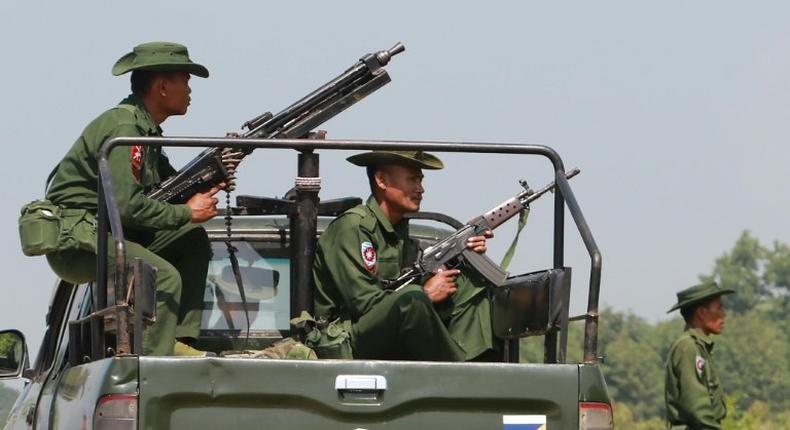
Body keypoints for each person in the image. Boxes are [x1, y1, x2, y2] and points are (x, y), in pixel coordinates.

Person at [45, 42, 221, 357]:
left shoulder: (145, 132)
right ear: (163, 86)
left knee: (191, 241)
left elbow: (170, 186)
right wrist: (186, 213)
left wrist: (213, 175)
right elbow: (126, 206)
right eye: (185, 80)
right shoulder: (126, 128)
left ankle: (179, 341)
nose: (190, 90)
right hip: (80, 238)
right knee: (162, 277)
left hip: (107, 231)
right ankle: (154, 364)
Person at [312, 150, 498, 361]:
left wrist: (466, 252)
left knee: (466, 283)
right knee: (413, 299)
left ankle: (477, 368)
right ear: (381, 180)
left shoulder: (398, 229)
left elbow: (399, 286)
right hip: (346, 341)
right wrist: (426, 294)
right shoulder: (353, 228)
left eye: (420, 180)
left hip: (386, 328)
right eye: (412, 179)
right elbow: (366, 304)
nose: (420, 189)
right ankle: (454, 374)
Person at [665, 282, 734, 429]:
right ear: (702, 313)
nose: (724, 314)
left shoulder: (699, 347)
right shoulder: (688, 347)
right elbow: (697, 408)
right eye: (719, 308)